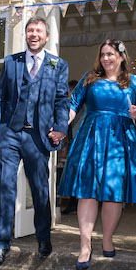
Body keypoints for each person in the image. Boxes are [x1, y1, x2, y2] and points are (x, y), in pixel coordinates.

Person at [58, 39, 136, 270]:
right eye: (103, 54)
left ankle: (107, 238)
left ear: (121, 57)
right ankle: (85, 245)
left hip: (120, 139)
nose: (106, 58)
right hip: (91, 137)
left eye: (110, 54)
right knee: (87, 191)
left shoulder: (133, 81)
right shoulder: (89, 78)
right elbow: (73, 105)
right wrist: (62, 126)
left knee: (113, 192)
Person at [0, 16, 69, 267]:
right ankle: (1, 244)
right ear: (26, 35)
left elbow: (61, 101)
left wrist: (60, 128)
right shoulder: (11, 61)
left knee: (40, 189)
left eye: (39, 31)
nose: (34, 34)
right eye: (30, 30)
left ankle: (44, 237)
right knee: (5, 187)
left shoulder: (58, 64)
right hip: (10, 134)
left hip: (38, 135)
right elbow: (1, 97)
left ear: (46, 37)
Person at [59, 79, 81, 216]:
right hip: (73, 144)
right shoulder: (70, 106)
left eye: (68, 91)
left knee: (78, 174)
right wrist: (66, 145)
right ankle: (73, 203)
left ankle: (77, 204)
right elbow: (69, 129)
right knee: (72, 174)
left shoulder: (81, 105)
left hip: (81, 143)